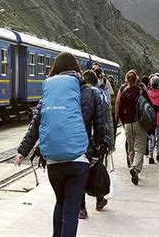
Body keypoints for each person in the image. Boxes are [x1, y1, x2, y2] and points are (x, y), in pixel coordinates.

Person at [14, 52, 105, 237]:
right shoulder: (89, 92)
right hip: (79, 159)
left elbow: (36, 124)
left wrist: (22, 151)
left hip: (54, 160)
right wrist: (98, 151)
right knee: (71, 211)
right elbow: (99, 126)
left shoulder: (49, 93)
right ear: (77, 70)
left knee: (60, 203)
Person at [78, 70, 114, 219]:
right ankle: (99, 200)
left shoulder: (78, 94)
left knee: (80, 172)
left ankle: (82, 208)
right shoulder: (101, 95)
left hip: (81, 138)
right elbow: (107, 119)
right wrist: (109, 141)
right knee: (97, 168)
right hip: (98, 139)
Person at [118, 70, 154, 185]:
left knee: (131, 148)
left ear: (126, 80)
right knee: (140, 149)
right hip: (139, 123)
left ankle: (134, 171)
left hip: (128, 124)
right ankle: (135, 168)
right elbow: (149, 106)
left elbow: (119, 109)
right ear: (136, 79)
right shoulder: (141, 91)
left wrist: (123, 122)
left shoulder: (124, 92)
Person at [148, 76, 159, 164]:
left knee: (151, 136)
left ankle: (151, 155)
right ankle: (158, 154)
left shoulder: (148, 94)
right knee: (158, 136)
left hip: (150, 118)